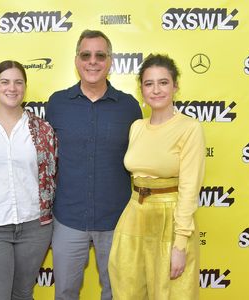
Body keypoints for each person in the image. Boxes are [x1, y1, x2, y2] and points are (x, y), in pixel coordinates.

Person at [45, 30, 142, 300]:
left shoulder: (129, 107)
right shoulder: (57, 104)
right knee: (64, 292)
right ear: (76, 60)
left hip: (116, 221)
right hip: (68, 219)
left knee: (116, 292)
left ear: (110, 61)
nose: (93, 61)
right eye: (86, 55)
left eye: (100, 55)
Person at [108, 54, 205, 300]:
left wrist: (180, 244)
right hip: (134, 217)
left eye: (163, 82)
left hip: (170, 221)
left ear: (175, 86)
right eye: (149, 83)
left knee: (172, 293)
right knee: (127, 291)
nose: (156, 89)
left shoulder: (189, 128)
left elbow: (189, 188)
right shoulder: (137, 127)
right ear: (142, 90)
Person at [0, 60, 57, 300]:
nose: (12, 88)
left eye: (18, 82)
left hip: (34, 227)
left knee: (23, 293)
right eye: (5, 82)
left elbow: (53, 173)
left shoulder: (43, 130)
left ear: (25, 87)